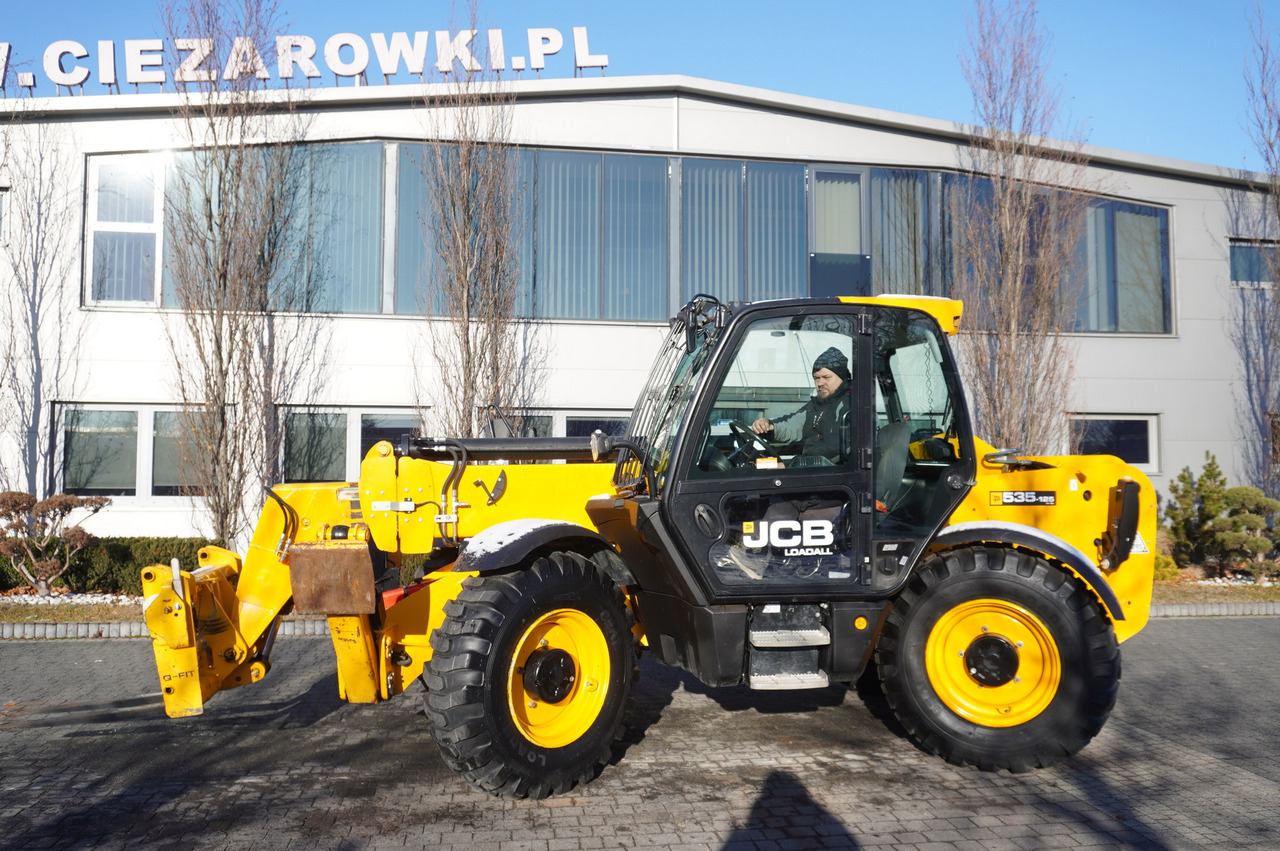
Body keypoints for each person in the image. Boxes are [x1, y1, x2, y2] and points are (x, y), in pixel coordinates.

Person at [751, 347, 852, 463]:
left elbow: (834, 449)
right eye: (816, 378)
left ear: (842, 377)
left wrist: (791, 464)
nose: (820, 383)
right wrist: (769, 426)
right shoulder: (817, 405)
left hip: (832, 473)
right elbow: (793, 424)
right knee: (760, 465)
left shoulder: (849, 405)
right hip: (812, 465)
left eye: (826, 377)